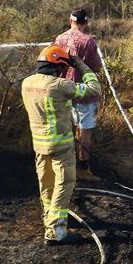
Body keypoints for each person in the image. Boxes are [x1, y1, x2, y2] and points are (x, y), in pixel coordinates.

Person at [21, 45, 102, 245]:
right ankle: (56, 232)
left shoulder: (27, 83)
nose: (65, 71)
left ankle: (50, 221)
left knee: (46, 185)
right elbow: (94, 89)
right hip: (61, 146)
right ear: (57, 66)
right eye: (64, 67)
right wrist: (81, 65)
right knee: (64, 184)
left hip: (39, 145)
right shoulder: (60, 85)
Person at [54, 8, 103, 182]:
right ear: (86, 22)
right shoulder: (89, 41)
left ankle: (67, 166)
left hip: (63, 90)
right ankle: (83, 169)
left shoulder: (59, 38)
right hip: (84, 93)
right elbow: (96, 67)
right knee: (85, 132)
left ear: (70, 21)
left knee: (67, 130)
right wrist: (94, 47)